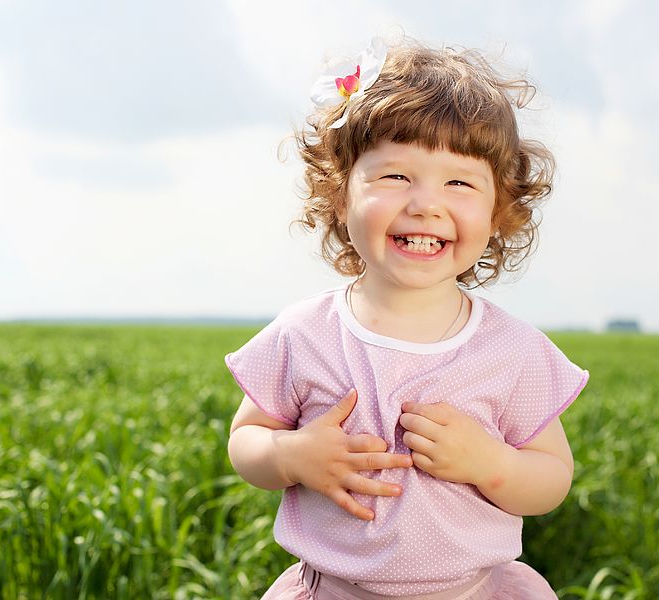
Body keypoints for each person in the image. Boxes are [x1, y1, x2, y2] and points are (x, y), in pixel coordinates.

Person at [225, 37, 589, 600]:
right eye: (395, 176)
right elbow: (246, 438)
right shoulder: (304, 334)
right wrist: (291, 455)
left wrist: (490, 463)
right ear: (341, 195)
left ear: (498, 211)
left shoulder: (513, 350)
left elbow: (552, 477)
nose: (426, 204)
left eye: (459, 183)